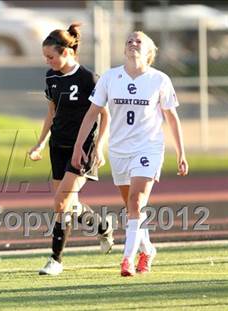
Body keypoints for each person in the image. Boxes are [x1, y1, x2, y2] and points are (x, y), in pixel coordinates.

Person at [72, 31, 189, 277]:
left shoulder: (159, 80)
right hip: (118, 150)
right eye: (129, 41)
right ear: (124, 49)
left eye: (139, 41)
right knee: (132, 208)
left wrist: (181, 153)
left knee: (136, 202)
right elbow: (93, 113)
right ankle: (147, 249)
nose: (133, 44)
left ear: (148, 51)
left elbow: (171, 117)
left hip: (148, 148)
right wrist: (79, 146)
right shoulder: (110, 78)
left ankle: (127, 259)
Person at [29, 23, 114, 276]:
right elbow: (51, 112)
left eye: (51, 57)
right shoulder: (51, 77)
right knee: (67, 203)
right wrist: (40, 142)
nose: (48, 61)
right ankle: (101, 226)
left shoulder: (89, 79)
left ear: (67, 52)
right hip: (59, 145)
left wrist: (99, 147)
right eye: (46, 57)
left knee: (61, 203)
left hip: (83, 149)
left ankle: (56, 259)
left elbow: (105, 117)